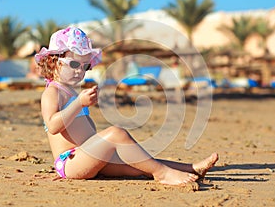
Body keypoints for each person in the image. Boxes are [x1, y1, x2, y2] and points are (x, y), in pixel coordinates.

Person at [35, 26, 218, 185]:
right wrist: (79, 104)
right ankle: (162, 174)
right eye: (74, 64)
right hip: (71, 162)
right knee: (116, 133)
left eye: (85, 67)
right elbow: (52, 126)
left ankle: (191, 168)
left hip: (88, 155)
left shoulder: (72, 92)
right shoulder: (52, 92)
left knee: (137, 161)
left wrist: (85, 111)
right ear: (53, 61)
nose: (79, 71)